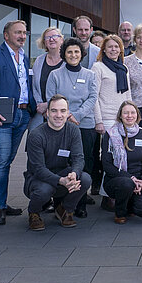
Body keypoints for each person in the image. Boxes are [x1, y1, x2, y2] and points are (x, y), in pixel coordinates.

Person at [0, 20, 35, 225]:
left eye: (24, 33)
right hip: (0, 117)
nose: (22, 36)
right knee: (1, 161)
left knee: (6, 161)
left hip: (22, 115)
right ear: (6, 35)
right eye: (17, 32)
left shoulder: (24, 57)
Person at [46, 37, 99, 218]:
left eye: (77, 51)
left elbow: (92, 97)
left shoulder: (90, 75)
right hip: (61, 126)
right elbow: (51, 99)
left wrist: (77, 115)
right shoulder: (55, 75)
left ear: (82, 54)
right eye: (69, 52)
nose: (73, 55)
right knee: (63, 163)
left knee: (84, 163)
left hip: (85, 124)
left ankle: (80, 204)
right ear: (64, 54)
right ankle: (61, 204)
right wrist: (66, 116)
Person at [23, 95, 91, 230]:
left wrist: (74, 173)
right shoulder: (36, 135)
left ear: (68, 113)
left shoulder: (73, 130)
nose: (59, 115)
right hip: (38, 179)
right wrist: (61, 180)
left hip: (62, 173)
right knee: (44, 190)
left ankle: (64, 209)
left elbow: (78, 158)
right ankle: (34, 212)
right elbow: (38, 169)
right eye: (54, 111)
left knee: (84, 179)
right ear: (47, 113)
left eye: (63, 111)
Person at [101, 101, 142, 223]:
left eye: (132, 112)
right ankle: (120, 213)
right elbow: (107, 165)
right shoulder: (110, 134)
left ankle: (130, 202)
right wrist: (131, 178)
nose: (129, 116)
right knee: (127, 184)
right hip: (117, 179)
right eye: (125, 113)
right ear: (120, 115)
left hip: (139, 180)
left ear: (137, 115)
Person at [93, 35, 132, 132]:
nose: (113, 49)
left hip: (123, 117)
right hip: (106, 119)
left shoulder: (124, 68)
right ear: (104, 49)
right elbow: (94, 96)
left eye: (116, 46)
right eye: (110, 47)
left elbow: (128, 95)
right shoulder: (98, 67)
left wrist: (130, 114)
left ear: (120, 50)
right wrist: (99, 121)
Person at [29, 27, 64, 131]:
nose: (51, 39)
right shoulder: (39, 60)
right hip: (40, 114)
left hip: (60, 114)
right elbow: (34, 86)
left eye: (54, 36)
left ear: (61, 40)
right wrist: (41, 106)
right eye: (47, 37)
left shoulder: (67, 62)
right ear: (44, 42)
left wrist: (48, 105)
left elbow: (67, 89)